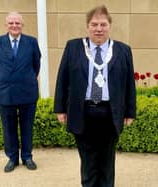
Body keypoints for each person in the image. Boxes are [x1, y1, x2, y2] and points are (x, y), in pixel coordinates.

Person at [54, 5, 136, 187]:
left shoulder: (123, 50)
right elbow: (62, 79)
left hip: (110, 112)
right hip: (83, 112)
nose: (99, 29)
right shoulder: (74, 47)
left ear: (110, 26)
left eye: (103, 24)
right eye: (94, 24)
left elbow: (129, 83)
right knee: (88, 161)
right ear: (87, 26)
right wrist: (60, 108)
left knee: (107, 161)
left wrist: (130, 112)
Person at [0, 11, 41, 172]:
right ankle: (12, 158)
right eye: (11, 23)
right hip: (6, 92)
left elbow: (36, 65)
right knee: (8, 127)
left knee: (27, 126)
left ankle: (27, 157)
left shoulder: (32, 42)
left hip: (27, 91)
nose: (14, 25)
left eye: (17, 23)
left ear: (22, 25)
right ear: (6, 25)